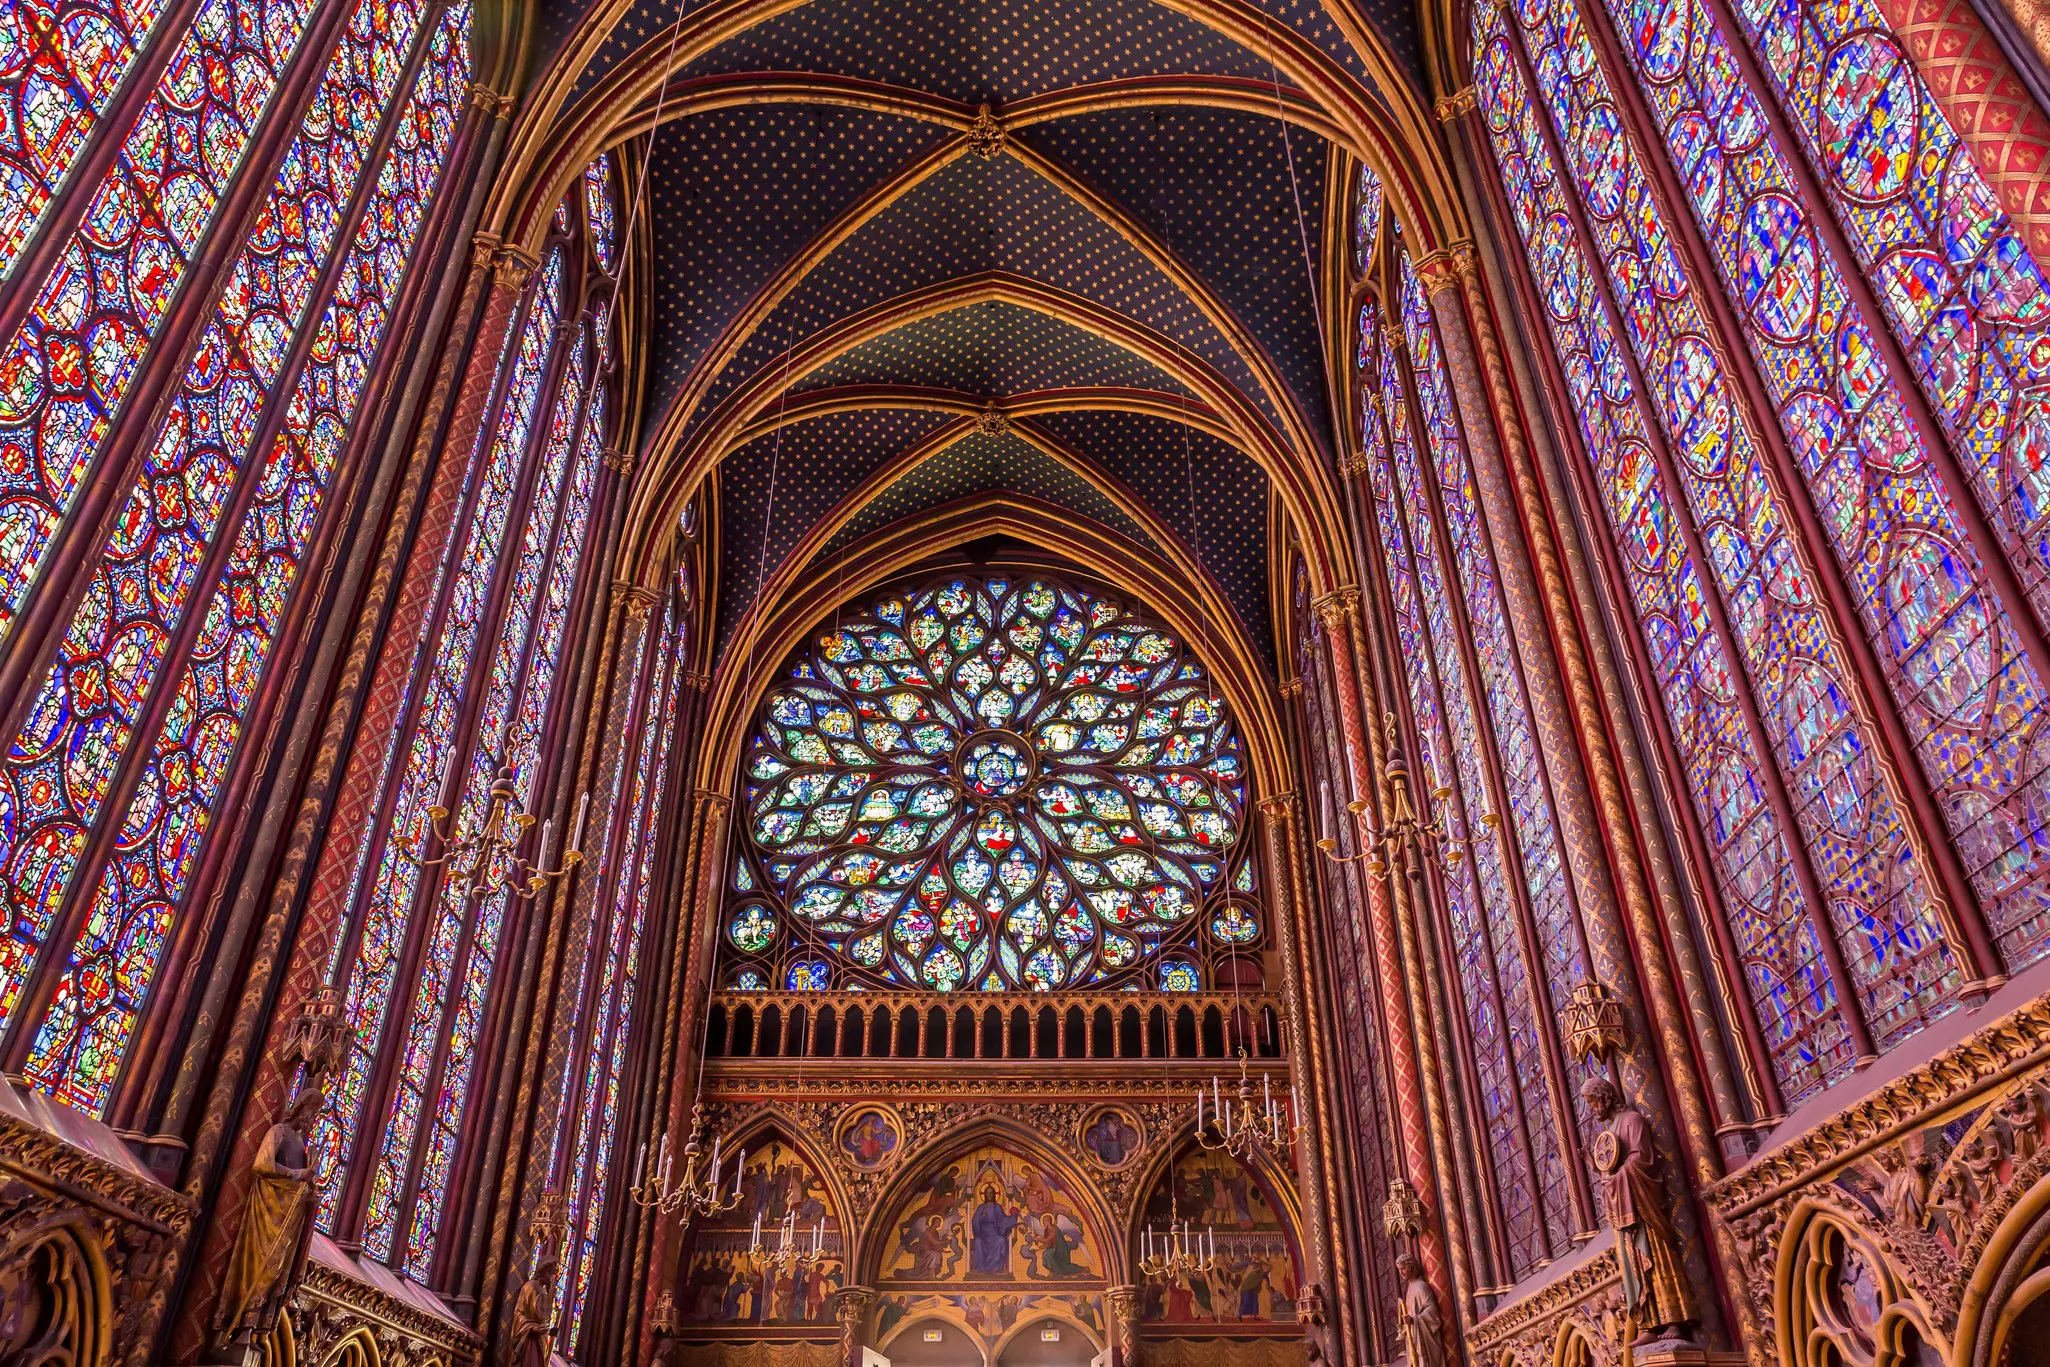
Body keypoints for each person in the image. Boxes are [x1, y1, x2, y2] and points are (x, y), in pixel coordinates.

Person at [1583, 1078, 1695, 1342]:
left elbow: (1641, 1159)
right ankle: (1650, 1323)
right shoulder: (1612, 1129)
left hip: (1642, 1208)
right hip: (1624, 1210)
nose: (1592, 1110)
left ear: (1604, 1097)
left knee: (1654, 1258)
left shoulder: (1631, 1120)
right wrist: (1599, 1169)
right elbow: (1613, 1165)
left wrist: (1614, 1177)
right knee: (1634, 1266)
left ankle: (1673, 1319)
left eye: (1592, 1102)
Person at [214, 1085, 323, 1345]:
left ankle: (251, 1328)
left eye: (317, 1113)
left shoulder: (300, 1142)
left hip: (290, 1215)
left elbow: (300, 1181)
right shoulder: (280, 1132)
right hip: (269, 1212)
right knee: (262, 1267)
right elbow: (262, 1164)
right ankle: (237, 1325)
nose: (313, 1118)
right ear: (301, 1107)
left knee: (278, 1272)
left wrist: (309, 1186)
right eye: (313, 1111)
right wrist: (298, 1175)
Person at [971, 1184, 1021, 1276]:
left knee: (1001, 1240)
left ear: (994, 1194)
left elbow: (1002, 1220)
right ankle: (980, 1269)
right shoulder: (981, 1208)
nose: (989, 1195)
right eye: (987, 1193)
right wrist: (982, 1216)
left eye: (991, 1193)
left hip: (994, 1232)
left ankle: (996, 1268)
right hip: (983, 1233)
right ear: (984, 1194)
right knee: (978, 1241)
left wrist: (1013, 1217)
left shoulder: (997, 1207)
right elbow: (975, 1221)